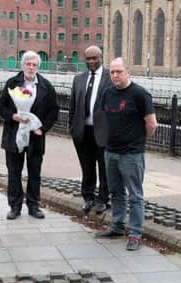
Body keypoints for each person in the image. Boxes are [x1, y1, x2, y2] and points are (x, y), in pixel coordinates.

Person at [95, 57, 157, 251]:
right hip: (111, 152)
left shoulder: (140, 94)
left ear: (128, 72)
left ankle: (136, 233)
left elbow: (152, 124)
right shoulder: (107, 93)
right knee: (116, 192)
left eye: (119, 71)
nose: (115, 75)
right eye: (112, 72)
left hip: (131, 154)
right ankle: (117, 226)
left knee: (135, 195)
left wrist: (138, 141)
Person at [0, 51, 59, 220]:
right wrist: (12, 116)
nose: (31, 67)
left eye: (34, 65)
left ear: (38, 67)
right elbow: (0, 106)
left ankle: (33, 205)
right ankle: (15, 207)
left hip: (35, 137)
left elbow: (54, 111)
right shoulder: (12, 83)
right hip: (13, 136)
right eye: (28, 64)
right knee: (14, 172)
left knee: (35, 173)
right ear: (22, 65)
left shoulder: (46, 86)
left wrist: (42, 128)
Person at [68, 45, 112, 214]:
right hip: (82, 131)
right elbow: (72, 106)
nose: (92, 61)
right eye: (88, 58)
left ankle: (102, 199)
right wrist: (73, 128)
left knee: (104, 167)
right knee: (86, 167)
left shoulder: (110, 77)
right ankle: (88, 197)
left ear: (101, 57)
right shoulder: (79, 79)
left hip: (102, 131)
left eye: (95, 58)